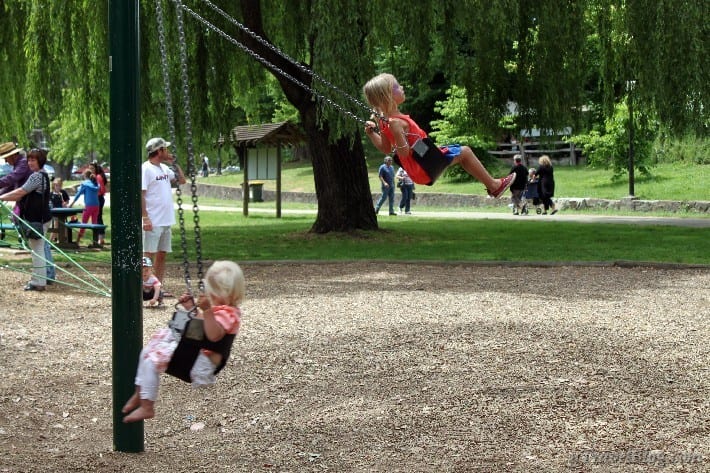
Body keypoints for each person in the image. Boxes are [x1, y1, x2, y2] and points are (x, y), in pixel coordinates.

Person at [122, 260, 245, 423]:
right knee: (147, 351)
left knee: (153, 360)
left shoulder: (229, 314)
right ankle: (141, 393)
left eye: (215, 291)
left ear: (232, 294)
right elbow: (201, 326)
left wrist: (207, 310)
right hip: (194, 355)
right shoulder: (219, 311)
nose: (211, 294)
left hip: (200, 365)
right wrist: (191, 308)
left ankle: (147, 406)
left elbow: (213, 335)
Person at [363, 73, 515, 197]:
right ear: (387, 96)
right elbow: (402, 152)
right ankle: (494, 185)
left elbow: (384, 148)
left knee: (462, 153)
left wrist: (372, 134)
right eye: (396, 86)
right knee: (466, 152)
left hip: (424, 159)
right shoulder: (395, 123)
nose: (401, 87)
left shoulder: (384, 121)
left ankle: (494, 186)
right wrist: (397, 133)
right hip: (424, 166)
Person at [0, 148, 52, 291]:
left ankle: (38, 282)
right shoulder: (42, 174)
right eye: (29, 159)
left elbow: (20, 192)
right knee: (38, 249)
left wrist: (1, 197)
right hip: (41, 217)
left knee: (37, 250)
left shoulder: (36, 176)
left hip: (38, 219)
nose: (30, 163)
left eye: (33, 160)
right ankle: (40, 280)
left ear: (40, 161)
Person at [141, 137, 186, 295]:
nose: (167, 151)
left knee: (161, 254)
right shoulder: (146, 169)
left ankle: (157, 287)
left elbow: (182, 180)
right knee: (148, 255)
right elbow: (141, 194)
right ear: (159, 151)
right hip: (153, 220)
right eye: (165, 149)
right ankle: (145, 286)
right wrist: (145, 217)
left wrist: (174, 162)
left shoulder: (164, 169)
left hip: (166, 220)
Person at [69, 169, 100, 247]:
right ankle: (95, 243)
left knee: (83, 224)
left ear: (85, 176)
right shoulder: (95, 183)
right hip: (97, 206)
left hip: (89, 206)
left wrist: (71, 204)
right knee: (95, 223)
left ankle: (77, 241)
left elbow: (78, 195)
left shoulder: (85, 184)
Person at [90, 161, 109, 245]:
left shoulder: (98, 177)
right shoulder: (95, 176)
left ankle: (100, 238)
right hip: (97, 198)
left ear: (96, 168)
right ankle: (100, 238)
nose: (90, 170)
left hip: (98, 198)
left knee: (98, 218)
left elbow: (102, 190)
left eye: (92, 168)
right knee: (97, 217)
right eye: (89, 168)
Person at [49, 177, 70, 242]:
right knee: (56, 225)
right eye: (56, 185)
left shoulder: (63, 192)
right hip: (55, 213)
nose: (58, 187)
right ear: (53, 185)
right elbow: (49, 203)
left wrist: (65, 203)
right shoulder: (51, 194)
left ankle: (64, 240)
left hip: (62, 212)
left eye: (59, 185)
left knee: (64, 225)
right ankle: (51, 240)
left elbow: (67, 200)